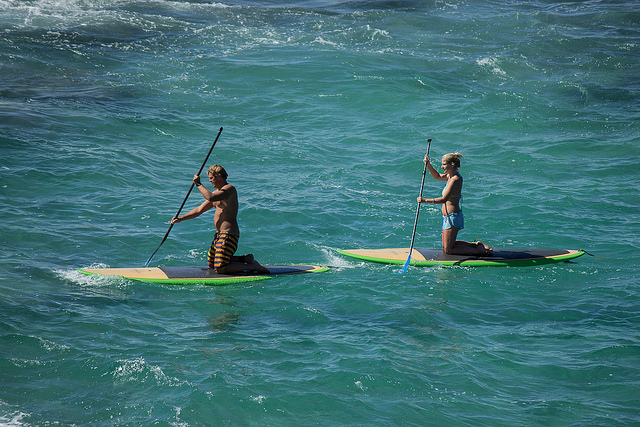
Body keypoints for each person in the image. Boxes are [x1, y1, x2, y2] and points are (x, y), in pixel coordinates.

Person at [171, 164, 270, 274]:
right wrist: (180, 218)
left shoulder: (229, 189)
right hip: (219, 235)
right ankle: (244, 259)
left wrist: (198, 184)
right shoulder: (217, 194)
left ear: (219, 176)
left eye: (211, 178)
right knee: (211, 263)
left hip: (229, 235)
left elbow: (210, 197)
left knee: (220, 268)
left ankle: (253, 266)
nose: (209, 181)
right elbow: (199, 210)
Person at [417, 152, 493, 256]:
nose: (442, 166)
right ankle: (476, 245)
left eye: (444, 164)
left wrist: (425, 200)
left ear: (452, 164)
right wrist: (428, 165)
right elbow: (437, 176)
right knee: (447, 246)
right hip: (447, 216)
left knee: (449, 250)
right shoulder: (449, 176)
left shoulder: (455, 179)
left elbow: (444, 199)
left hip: (453, 217)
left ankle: (480, 251)